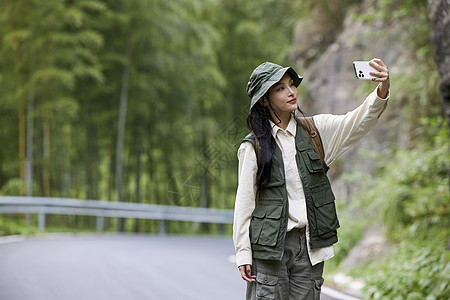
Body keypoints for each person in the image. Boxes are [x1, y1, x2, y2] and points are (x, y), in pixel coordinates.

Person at [233, 58, 390, 299]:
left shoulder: (316, 132)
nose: (291, 92)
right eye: (280, 88)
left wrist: (382, 89)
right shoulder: (253, 147)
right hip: (270, 249)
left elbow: (358, 121)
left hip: (310, 246)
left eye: (291, 85)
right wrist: (243, 252)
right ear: (264, 100)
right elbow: (244, 203)